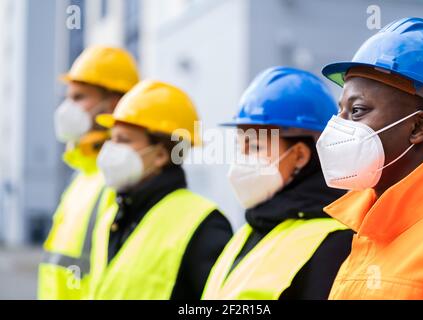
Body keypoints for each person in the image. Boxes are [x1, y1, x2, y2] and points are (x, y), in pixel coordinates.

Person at [318, 17, 423, 299]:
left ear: (418, 127)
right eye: (340, 110)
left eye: (357, 111)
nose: (336, 127)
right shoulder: (367, 230)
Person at [202, 67, 353, 300]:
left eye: (255, 147)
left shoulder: (335, 243)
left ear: (300, 156)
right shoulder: (252, 228)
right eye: (239, 147)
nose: (241, 158)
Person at [86, 80, 233, 300]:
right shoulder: (113, 216)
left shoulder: (205, 225)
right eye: (112, 139)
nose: (110, 149)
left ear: (161, 155)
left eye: (123, 140)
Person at [38, 46, 139, 300]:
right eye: (68, 97)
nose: (67, 108)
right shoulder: (83, 176)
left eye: (79, 97)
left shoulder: (122, 178)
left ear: (114, 103)